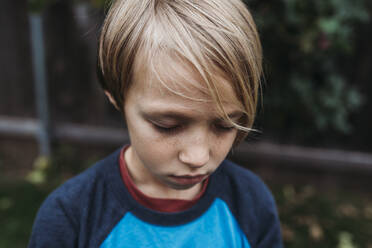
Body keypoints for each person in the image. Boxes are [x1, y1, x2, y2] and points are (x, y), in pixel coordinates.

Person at [28, 0, 283, 247]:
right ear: (116, 95)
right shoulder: (70, 217)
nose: (197, 157)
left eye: (225, 125)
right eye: (168, 125)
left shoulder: (251, 204)